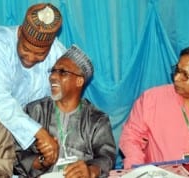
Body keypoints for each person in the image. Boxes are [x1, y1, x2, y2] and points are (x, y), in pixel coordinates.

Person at [0, 3, 65, 163]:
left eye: (40, 54)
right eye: (26, 49)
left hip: (25, 130)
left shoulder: (57, 52)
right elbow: (0, 100)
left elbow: (67, 87)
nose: (31, 58)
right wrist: (39, 133)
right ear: (20, 34)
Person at [14, 45, 116, 178]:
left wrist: (90, 171)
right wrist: (42, 162)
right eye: (53, 71)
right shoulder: (34, 111)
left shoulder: (96, 119)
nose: (53, 77)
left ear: (79, 81)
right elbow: (15, 154)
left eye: (62, 72)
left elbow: (107, 157)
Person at [119, 46, 189, 169]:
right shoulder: (151, 99)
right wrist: (138, 169)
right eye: (177, 70)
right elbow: (131, 137)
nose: (176, 78)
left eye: (185, 75)